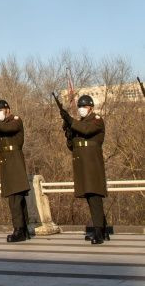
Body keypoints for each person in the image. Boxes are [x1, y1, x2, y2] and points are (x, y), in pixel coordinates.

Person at [58, 94, 109, 245]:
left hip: (92, 165)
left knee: (95, 197)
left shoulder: (96, 120)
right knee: (90, 198)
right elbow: (72, 145)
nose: (81, 109)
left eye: (84, 107)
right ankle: (102, 230)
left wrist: (70, 120)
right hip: (82, 166)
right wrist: (68, 131)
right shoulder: (79, 123)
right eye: (79, 107)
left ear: (91, 108)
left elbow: (86, 131)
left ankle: (99, 232)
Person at [0, 100, 30, 243]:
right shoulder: (0, 127)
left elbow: (8, 129)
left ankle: (19, 230)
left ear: (8, 109)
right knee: (15, 198)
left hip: (15, 162)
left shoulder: (15, 120)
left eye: (0, 110)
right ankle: (23, 229)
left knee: (15, 198)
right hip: (6, 164)